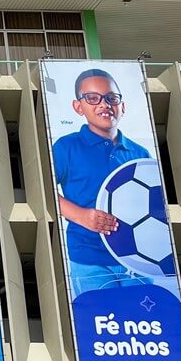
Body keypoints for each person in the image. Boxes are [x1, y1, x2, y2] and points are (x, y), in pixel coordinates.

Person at [53, 68, 152, 297]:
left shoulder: (140, 153)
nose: (103, 104)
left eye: (111, 98)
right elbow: (43, 191)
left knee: (146, 325)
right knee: (101, 327)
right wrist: (81, 216)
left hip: (137, 259)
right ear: (79, 107)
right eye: (92, 98)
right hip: (89, 257)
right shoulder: (66, 147)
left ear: (122, 106)